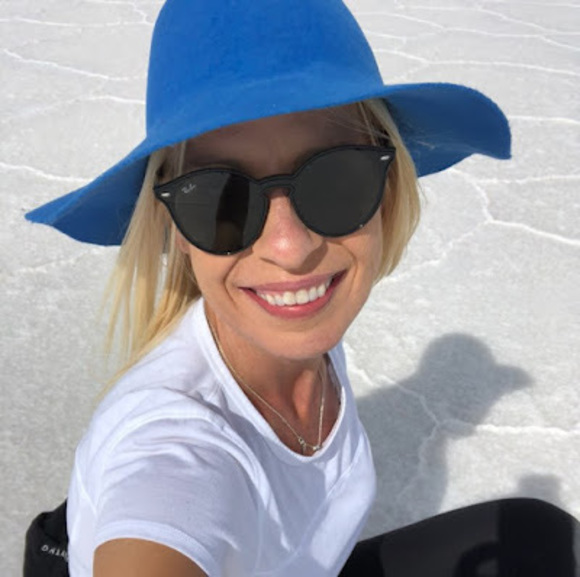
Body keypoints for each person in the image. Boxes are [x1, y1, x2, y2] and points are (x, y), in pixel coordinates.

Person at [27, 1, 577, 576]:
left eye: (337, 179)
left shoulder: (296, 340)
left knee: (538, 536)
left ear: (389, 187)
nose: (290, 249)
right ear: (175, 229)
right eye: (220, 200)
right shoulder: (172, 442)